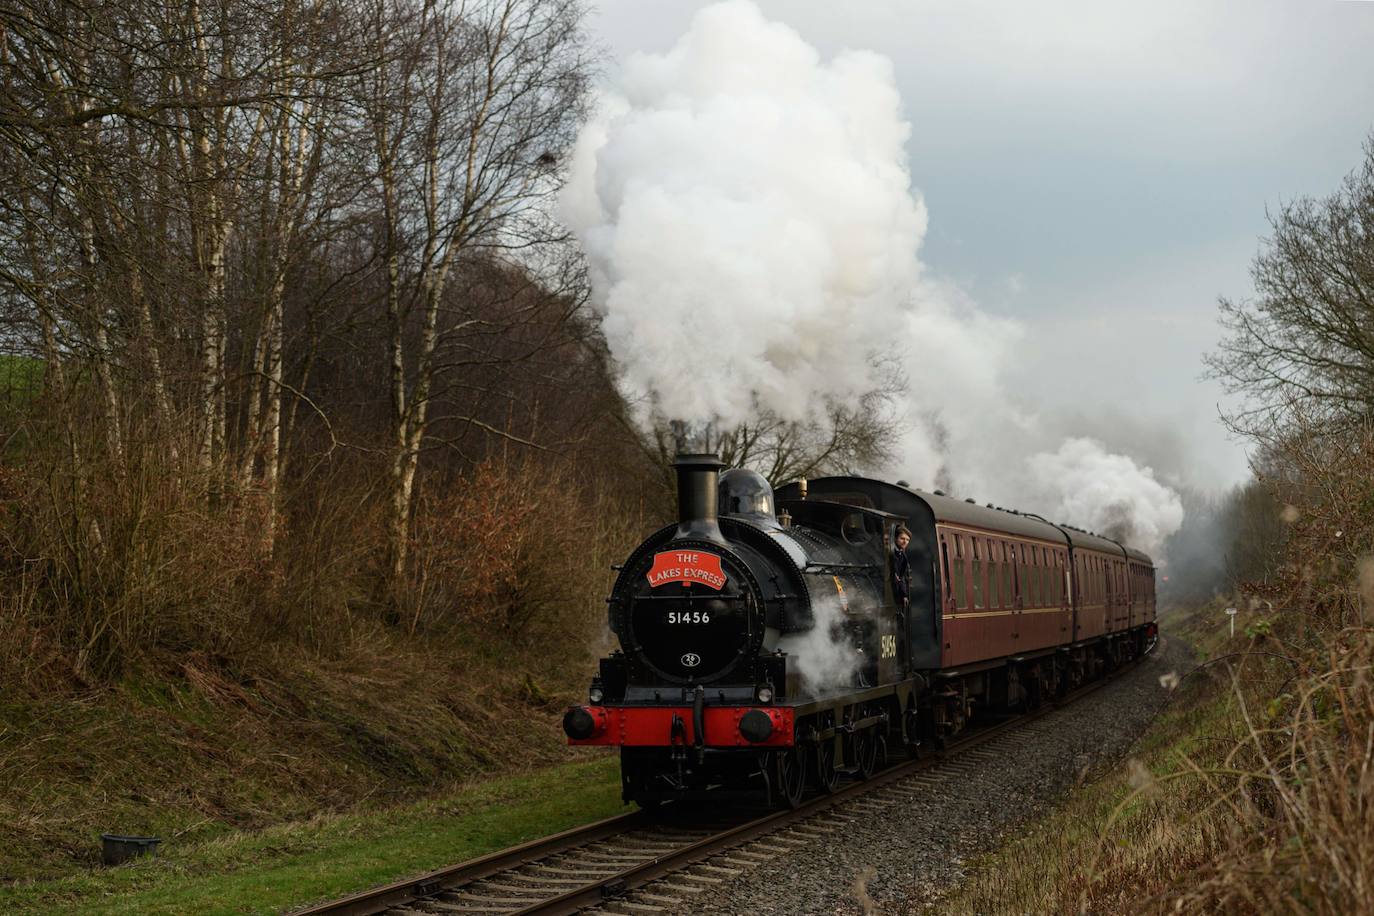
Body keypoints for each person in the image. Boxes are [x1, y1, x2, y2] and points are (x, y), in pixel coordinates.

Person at [892, 525, 912, 608]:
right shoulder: (892, 554)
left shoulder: (903, 556)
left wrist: (904, 595)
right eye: (902, 538)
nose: (905, 542)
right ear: (896, 538)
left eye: (907, 540)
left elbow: (901, 576)